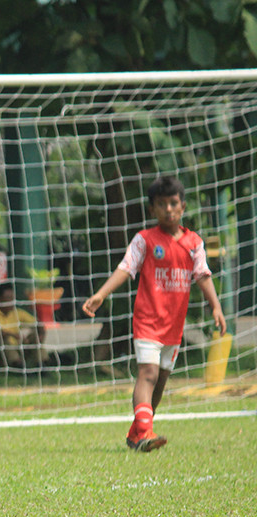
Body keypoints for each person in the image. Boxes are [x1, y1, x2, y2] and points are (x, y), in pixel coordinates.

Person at [82, 175, 226, 452]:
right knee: (147, 374)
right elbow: (126, 268)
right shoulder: (145, 240)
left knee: (159, 382)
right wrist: (101, 294)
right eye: (162, 204)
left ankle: (136, 434)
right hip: (147, 320)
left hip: (173, 325)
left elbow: (203, 275)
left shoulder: (194, 243)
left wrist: (216, 307)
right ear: (152, 210)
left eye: (173, 204)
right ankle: (146, 432)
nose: (168, 210)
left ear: (183, 207)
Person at [0, 282, 45, 369]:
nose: (11, 302)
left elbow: (38, 324)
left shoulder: (17, 312)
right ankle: (17, 365)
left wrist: (41, 334)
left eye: (12, 298)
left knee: (34, 336)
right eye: (8, 298)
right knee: (4, 339)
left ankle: (42, 363)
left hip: (17, 349)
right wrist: (14, 335)